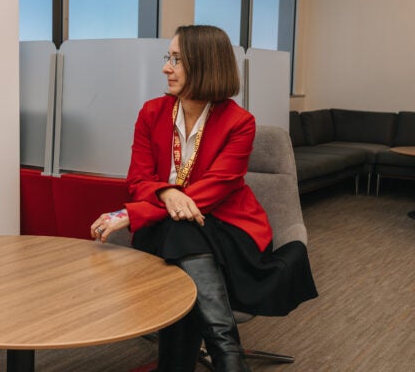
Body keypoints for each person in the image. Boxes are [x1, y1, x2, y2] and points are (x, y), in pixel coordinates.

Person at [89, 25, 317, 372]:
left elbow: (213, 190)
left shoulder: (240, 122)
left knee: (183, 233)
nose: (166, 67)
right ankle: (228, 354)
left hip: (228, 230)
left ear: (206, 64)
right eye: (169, 58)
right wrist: (164, 193)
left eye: (177, 60)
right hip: (172, 229)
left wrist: (132, 215)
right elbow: (137, 180)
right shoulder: (151, 113)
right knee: (181, 231)